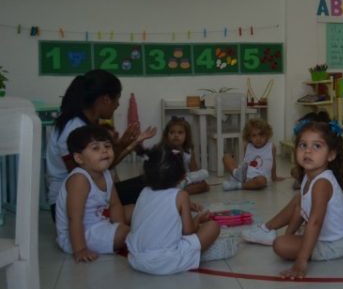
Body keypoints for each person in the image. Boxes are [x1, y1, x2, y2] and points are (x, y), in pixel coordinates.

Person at [241, 111, 343, 279]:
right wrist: (291, 235)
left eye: (317, 146)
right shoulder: (310, 176)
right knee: (298, 201)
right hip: (330, 237)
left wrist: (301, 262)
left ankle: (280, 236)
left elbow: (315, 222)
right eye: (303, 145)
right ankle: (275, 232)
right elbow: (302, 209)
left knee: (280, 245)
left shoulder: (322, 183)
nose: (308, 151)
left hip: (334, 245)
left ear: (331, 154)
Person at [47, 69, 156, 221]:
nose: (117, 105)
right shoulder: (74, 128)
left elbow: (99, 167)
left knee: (151, 181)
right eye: (117, 99)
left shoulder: (84, 122)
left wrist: (123, 145)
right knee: (148, 190)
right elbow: (85, 176)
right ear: (106, 99)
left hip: (88, 194)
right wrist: (125, 147)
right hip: (71, 204)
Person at [126, 146, 237, 275]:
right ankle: (199, 255)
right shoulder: (181, 195)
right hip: (165, 261)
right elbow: (188, 231)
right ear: (183, 176)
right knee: (213, 227)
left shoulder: (144, 192)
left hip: (136, 258)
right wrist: (198, 219)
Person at [55, 124, 130, 262]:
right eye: (95, 148)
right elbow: (74, 218)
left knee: (136, 210)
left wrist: (119, 226)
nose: (104, 151)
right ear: (79, 158)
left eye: (107, 146)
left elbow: (115, 205)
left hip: (99, 224)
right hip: (77, 236)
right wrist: (80, 249)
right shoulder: (79, 179)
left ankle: (123, 236)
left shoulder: (106, 174)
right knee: (129, 234)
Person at [222, 117, 281, 191]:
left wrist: (274, 177)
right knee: (226, 156)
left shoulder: (271, 147)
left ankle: (239, 185)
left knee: (261, 181)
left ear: (267, 134)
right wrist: (240, 171)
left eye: (261, 134)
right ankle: (236, 175)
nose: (258, 138)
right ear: (249, 137)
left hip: (259, 177)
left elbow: (273, 163)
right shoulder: (248, 146)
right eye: (254, 135)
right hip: (244, 175)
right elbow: (245, 162)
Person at [160, 116, 210, 195]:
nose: (176, 135)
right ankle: (176, 191)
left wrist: (196, 178)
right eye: (172, 132)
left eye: (180, 132)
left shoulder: (188, 151)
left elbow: (194, 170)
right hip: (170, 180)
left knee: (204, 183)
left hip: (186, 180)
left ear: (186, 135)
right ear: (167, 135)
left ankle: (178, 191)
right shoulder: (164, 150)